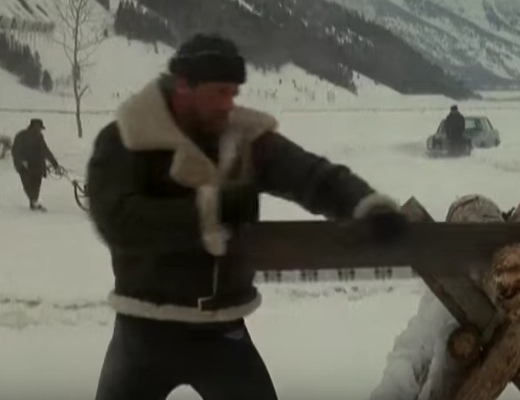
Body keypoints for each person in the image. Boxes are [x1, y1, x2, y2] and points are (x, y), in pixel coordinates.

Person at [86, 33, 407, 400]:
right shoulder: (126, 137)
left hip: (221, 329)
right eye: (218, 92)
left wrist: (366, 206)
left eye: (234, 92)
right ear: (183, 86)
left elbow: (311, 176)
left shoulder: (244, 139)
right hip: (142, 330)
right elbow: (118, 219)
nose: (229, 103)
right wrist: (210, 212)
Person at [11, 118, 60, 211]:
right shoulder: (21, 136)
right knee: (28, 184)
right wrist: (21, 161)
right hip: (25, 166)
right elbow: (15, 150)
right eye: (39, 128)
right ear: (33, 127)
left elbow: (45, 151)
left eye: (41, 128)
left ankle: (34, 202)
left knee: (36, 185)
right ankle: (34, 202)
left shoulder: (39, 137)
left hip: (37, 165)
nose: (40, 130)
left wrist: (55, 164)